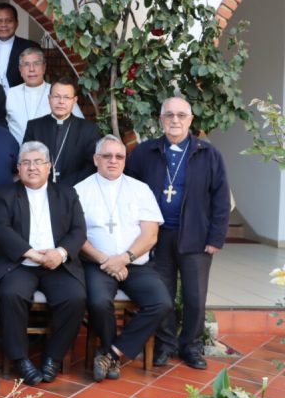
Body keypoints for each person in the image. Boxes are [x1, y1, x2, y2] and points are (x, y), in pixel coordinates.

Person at [126, 96, 230, 370]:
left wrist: (216, 237)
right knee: (163, 295)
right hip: (156, 237)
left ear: (190, 120)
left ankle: (191, 347)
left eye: (181, 115)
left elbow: (220, 198)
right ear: (161, 119)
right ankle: (165, 345)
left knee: (195, 297)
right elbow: (129, 192)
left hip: (196, 236)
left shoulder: (208, 154)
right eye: (169, 115)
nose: (175, 120)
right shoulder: (145, 152)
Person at [75, 135, 171, 382]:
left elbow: (150, 235)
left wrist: (125, 258)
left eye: (119, 156)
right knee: (98, 302)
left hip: (136, 263)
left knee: (161, 303)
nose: (113, 161)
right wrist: (106, 260)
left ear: (125, 160)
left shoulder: (140, 189)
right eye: (107, 156)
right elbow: (76, 236)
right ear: (96, 159)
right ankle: (112, 353)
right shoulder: (80, 190)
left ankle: (111, 354)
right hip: (97, 263)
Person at [0, 141, 87, 386]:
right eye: (26, 163)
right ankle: (20, 359)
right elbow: (1, 229)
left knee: (75, 298)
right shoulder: (4, 195)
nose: (32, 168)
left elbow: (78, 231)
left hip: (57, 264)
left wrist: (61, 253)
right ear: (18, 168)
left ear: (48, 166)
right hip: (20, 263)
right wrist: (33, 254)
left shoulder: (67, 193)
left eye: (37, 162)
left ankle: (53, 357)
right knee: (11, 294)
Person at [23, 77, 100, 187]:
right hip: (40, 189)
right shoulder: (34, 126)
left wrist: (66, 186)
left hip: (76, 189)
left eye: (67, 97)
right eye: (56, 96)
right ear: (49, 99)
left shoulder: (88, 129)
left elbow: (92, 166)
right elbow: (26, 160)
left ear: (74, 100)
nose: (61, 102)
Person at [5, 47, 83, 143]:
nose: (31, 69)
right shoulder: (10, 94)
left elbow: (79, 125)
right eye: (26, 64)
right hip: (17, 151)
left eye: (36, 64)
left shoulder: (58, 92)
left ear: (44, 67)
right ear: (20, 69)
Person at [0, 2, 42, 90]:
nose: (4, 25)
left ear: (16, 23)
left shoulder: (30, 47)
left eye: (9, 21)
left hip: (22, 96)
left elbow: (38, 79)